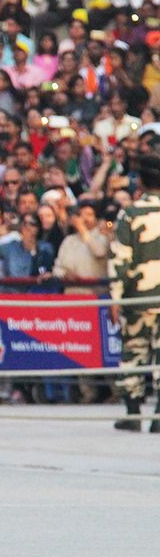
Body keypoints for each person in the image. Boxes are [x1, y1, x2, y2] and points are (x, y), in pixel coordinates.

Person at [109, 154, 160, 432]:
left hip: (137, 299)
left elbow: (120, 261)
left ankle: (133, 413)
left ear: (140, 181)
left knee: (133, 354)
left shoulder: (130, 214)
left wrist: (115, 298)